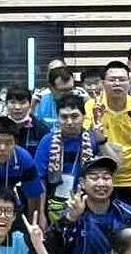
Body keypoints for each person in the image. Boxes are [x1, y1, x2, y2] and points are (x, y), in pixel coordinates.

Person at [33, 95, 118, 234]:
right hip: (55, 204)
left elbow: (116, 168)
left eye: (74, 116)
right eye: (64, 117)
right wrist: (41, 214)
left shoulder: (93, 139)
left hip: (89, 205)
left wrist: (102, 142)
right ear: (58, 118)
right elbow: (40, 180)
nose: (69, 122)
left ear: (84, 117)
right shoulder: (48, 141)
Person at [84, 61, 131, 202]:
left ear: (129, 82)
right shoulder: (92, 106)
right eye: (112, 80)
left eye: (122, 79)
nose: (117, 83)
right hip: (101, 177)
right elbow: (87, 137)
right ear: (103, 83)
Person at [33, 67, 88, 131]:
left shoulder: (82, 97)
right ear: (51, 88)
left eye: (70, 89)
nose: (68, 94)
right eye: (63, 90)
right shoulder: (40, 100)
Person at [4, 86, 50, 157]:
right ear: (6, 104)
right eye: (12, 102)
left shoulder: (41, 129)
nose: (17, 107)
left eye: (22, 103)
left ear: (30, 104)